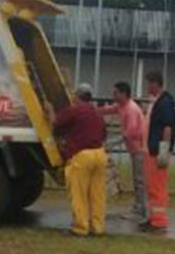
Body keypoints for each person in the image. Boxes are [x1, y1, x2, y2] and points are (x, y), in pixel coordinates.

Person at [52, 83, 108, 237]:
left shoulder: (74, 110)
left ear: (77, 96)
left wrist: (49, 111)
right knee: (97, 195)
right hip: (100, 154)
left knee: (79, 194)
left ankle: (80, 227)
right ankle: (98, 227)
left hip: (82, 156)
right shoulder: (96, 112)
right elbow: (104, 134)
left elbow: (55, 123)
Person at [98, 81, 148, 222]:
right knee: (138, 180)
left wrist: (111, 143)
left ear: (124, 94)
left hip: (139, 149)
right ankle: (139, 208)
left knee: (139, 181)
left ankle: (140, 210)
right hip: (134, 149)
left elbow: (130, 132)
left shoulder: (131, 109)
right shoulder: (121, 106)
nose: (113, 95)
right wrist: (90, 109)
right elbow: (107, 109)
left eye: (115, 93)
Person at [142, 71, 175, 233]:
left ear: (156, 83)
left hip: (158, 151)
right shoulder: (157, 102)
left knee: (158, 186)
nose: (147, 86)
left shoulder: (165, 102)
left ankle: (159, 221)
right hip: (152, 150)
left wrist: (164, 149)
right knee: (152, 186)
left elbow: (167, 127)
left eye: (149, 83)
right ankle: (153, 217)